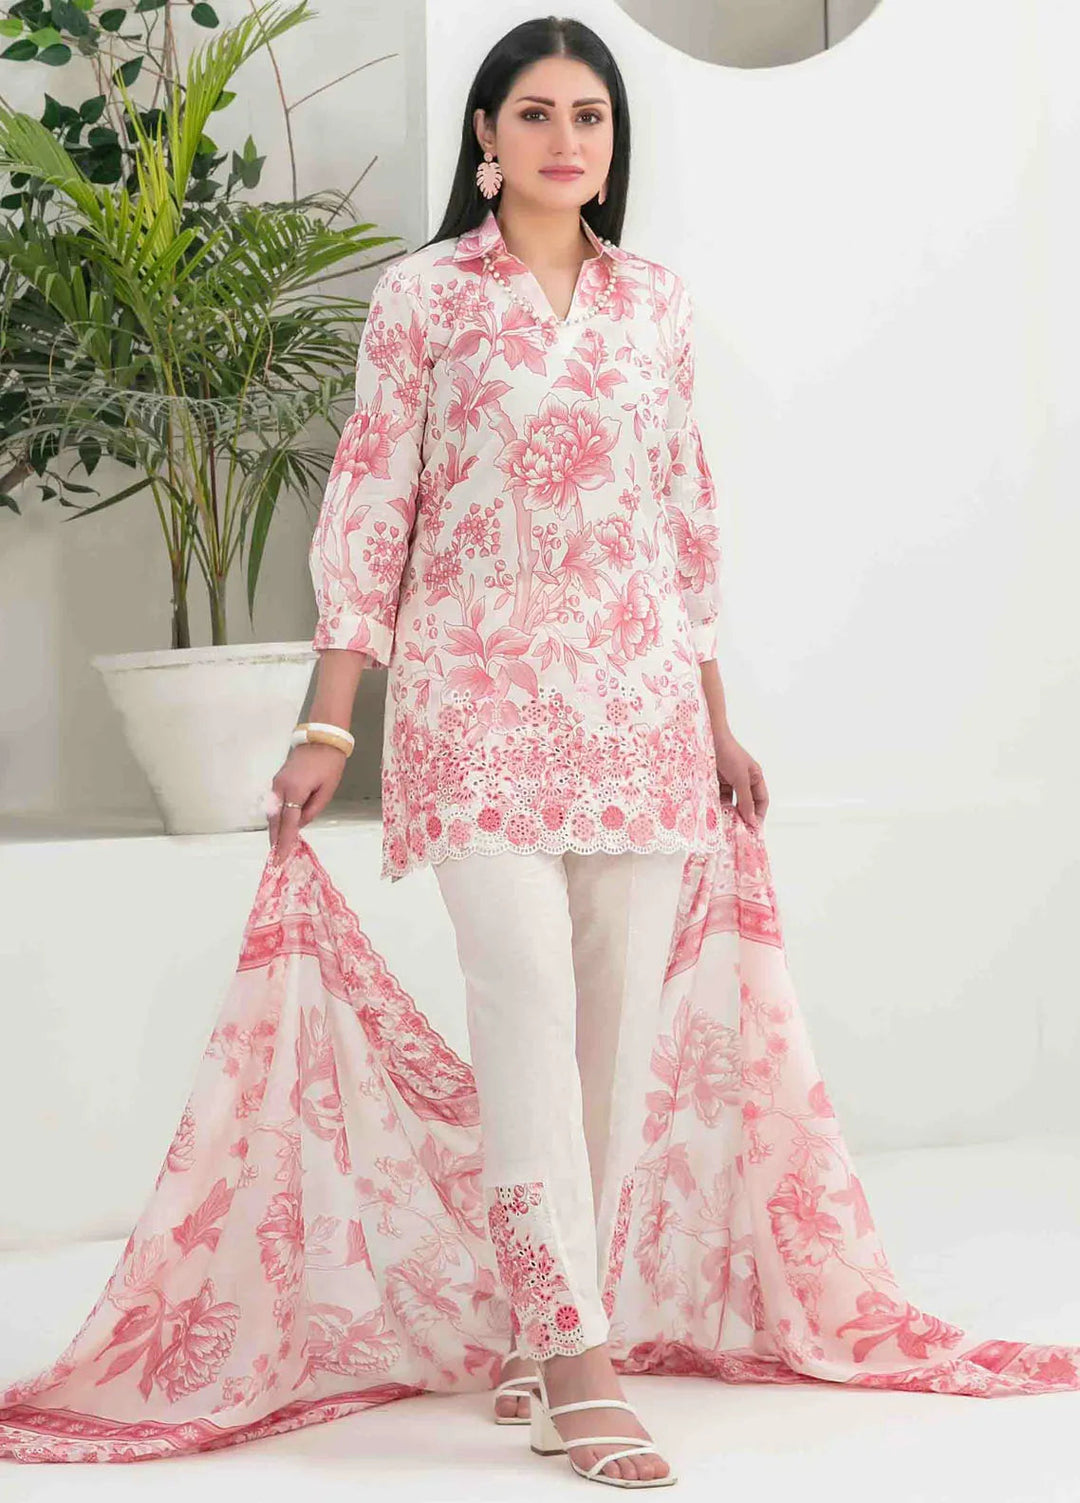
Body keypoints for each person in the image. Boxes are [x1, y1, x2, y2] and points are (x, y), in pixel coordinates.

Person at [268, 17, 767, 1489]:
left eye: (590, 117)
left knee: (612, 1043)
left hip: (637, 712)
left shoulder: (654, 304)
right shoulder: (424, 297)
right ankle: (580, 1367)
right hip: (474, 704)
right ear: (485, 135)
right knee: (528, 1009)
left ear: (614, 145)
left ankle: (548, 1326)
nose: (566, 139)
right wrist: (329, 719)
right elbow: (373, 505)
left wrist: (716, 717)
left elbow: (682, 518)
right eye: (536, 113)